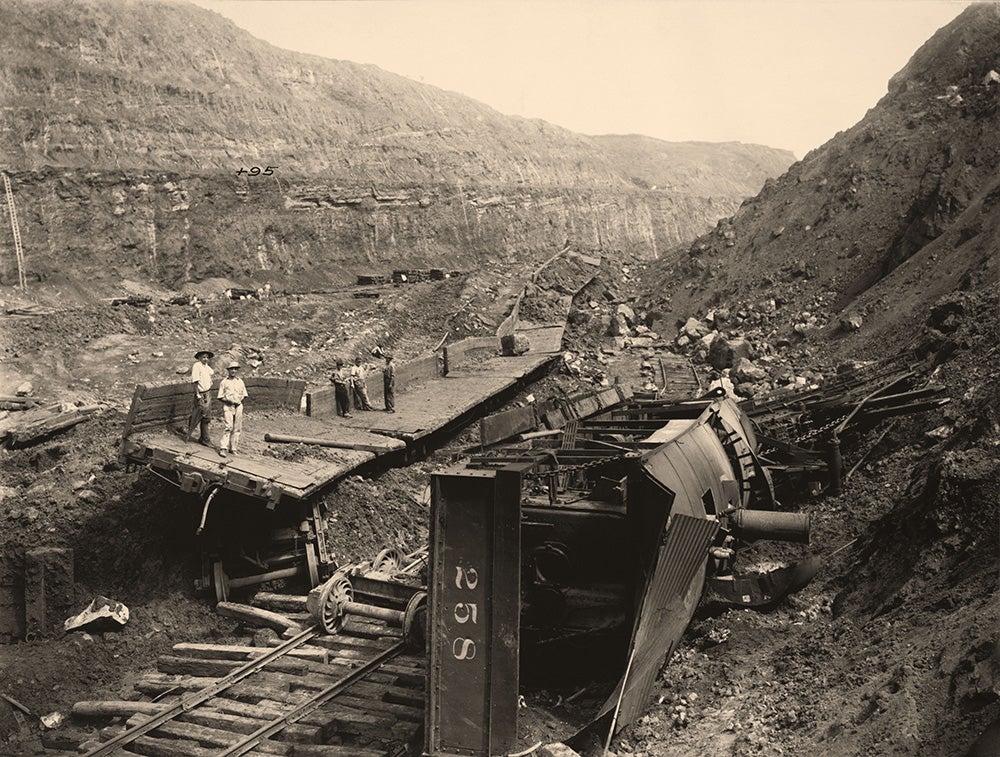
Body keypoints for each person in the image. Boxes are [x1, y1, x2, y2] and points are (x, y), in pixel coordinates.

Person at [217, 361, 248, 457]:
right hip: (228, 406)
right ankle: (223, 448)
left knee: (237, 427)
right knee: (228, 427)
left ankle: (233, 448)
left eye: (235, 369)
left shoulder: (240, 381)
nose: (233, 371)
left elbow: (244, 394)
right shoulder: (224, 382)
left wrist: (239, 401)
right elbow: (220, 397)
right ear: (228, 370)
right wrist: (229, 401)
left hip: (238, 406)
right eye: (231, 369)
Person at [188, 349, 215, 446]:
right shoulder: (197, 366)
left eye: (207, 357)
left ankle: (203, 438)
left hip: (207, 393)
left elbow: (212, 372)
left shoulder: (205, 367)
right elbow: (195, 381)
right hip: (201, 394)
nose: (206, 359)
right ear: (199, 358)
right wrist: (197, 394)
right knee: (204, 416)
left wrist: (206, 365)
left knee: (206, 416)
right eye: (203, 357)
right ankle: (205, 439)